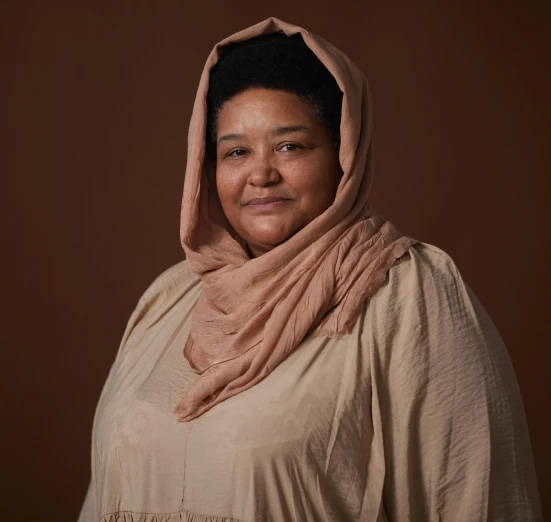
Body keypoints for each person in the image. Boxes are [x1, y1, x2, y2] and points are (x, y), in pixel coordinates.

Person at [77, 17, 542, 522]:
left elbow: (475, 501)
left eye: (289, 146)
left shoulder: (408, 295)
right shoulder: (169, 299)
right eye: (235, 151)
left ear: (344, 156)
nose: (260, 173)